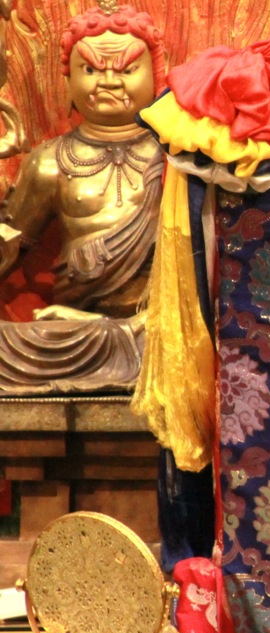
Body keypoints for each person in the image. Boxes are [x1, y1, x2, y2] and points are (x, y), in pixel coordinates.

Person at [0, 4, 165, 393]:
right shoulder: (49, 162)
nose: (108, 82)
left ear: (157, 74)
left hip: (156, 328)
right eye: (90, 70)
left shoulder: (179, 157)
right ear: (68, 79)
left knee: (198, 346)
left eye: (126, 69)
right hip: (75, 332)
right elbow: (8, 252)